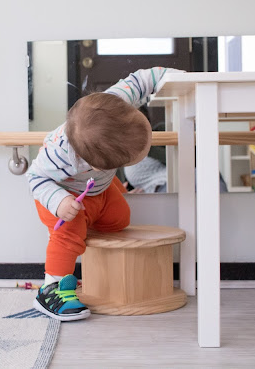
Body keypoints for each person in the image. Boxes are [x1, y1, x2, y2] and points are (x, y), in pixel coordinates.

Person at [26, 66, 180, 321]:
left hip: (98, 189)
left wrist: (172, 77)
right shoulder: (61, 155)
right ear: (95, 166)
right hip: (64, 197)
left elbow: (142, 79)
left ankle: (92, 215)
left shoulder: (113, 106)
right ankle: (50, 290)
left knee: (120, 219)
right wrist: (59, 201)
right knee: (68, 235)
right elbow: (35, 178)